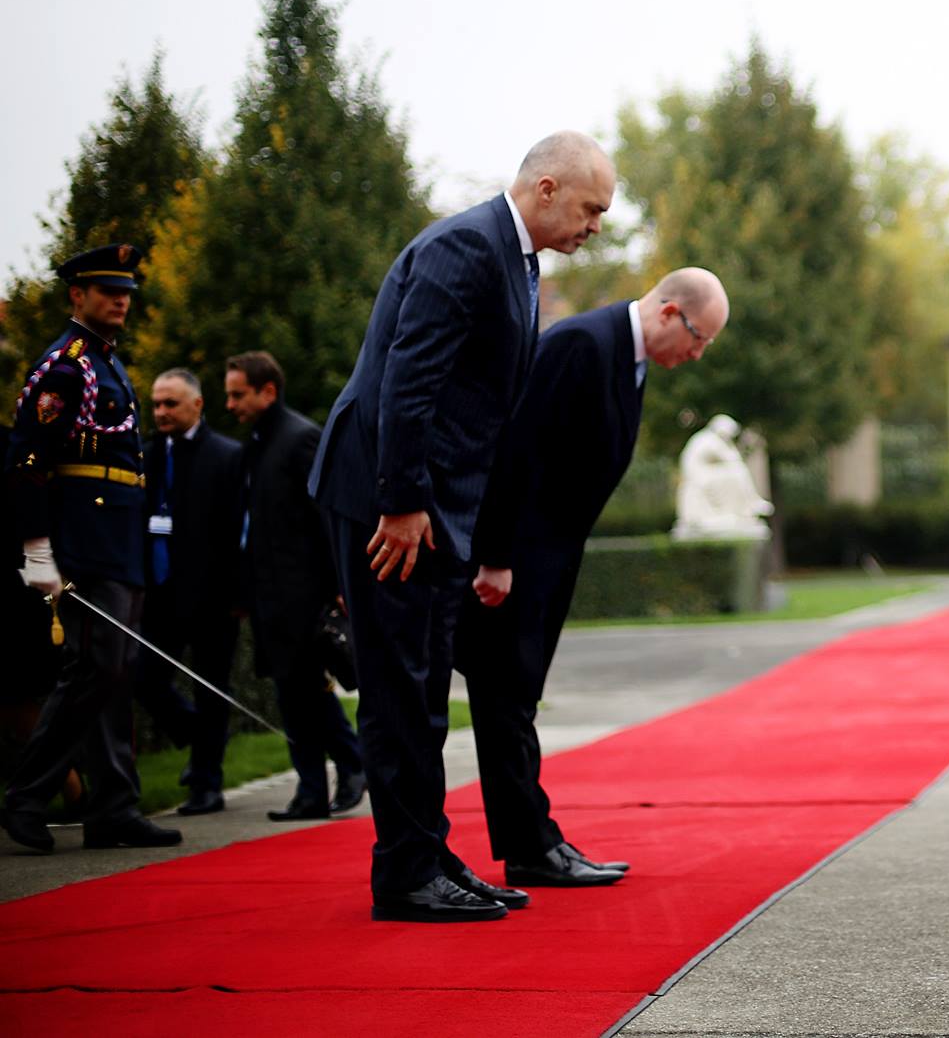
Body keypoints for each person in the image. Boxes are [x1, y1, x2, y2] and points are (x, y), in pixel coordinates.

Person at [309, 130, 616, 923]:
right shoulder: (468, 246)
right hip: (392, 504)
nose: (595, 226)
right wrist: (403, 500)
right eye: (591, 208)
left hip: (432, 508)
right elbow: (409, 377)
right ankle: (406, 872)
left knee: (423, 688)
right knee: (399, 688)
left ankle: (429, 854)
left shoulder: (515, 258)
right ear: (546, 188)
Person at [460, 268, 728, 888]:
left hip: (547, 557)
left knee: (516, 696)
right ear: (668, 312)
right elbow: (517, 448)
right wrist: (496, 556)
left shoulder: (625, 356)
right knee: (505, 697)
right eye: (698, 338)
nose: (697, 354)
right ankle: (531, 847)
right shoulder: (582, 343)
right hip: (515, 558)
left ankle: (534, 843)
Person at [1, 243, 182, 853]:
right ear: (77, 295)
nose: (121, 301)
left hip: (117, 538)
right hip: (83, 538)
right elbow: (27, 459)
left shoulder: (107, 363)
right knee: (94, 668)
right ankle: (26, 797)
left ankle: (112, 807)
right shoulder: (65, 365)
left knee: (115, 673)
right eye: (109, 291)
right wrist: (36, 548)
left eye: (126, 292)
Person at [225, 351, 364, 822]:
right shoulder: (259, 443)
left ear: (268, 391)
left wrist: (339, 585)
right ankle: (321, 784)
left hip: (302, 596)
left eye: (238, 394)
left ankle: (337, 774)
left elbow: (325, 516)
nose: (230, 405)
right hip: (271, 596)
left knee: (304, 691)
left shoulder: (299, 437)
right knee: (296, 694)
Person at [136, 368, 244, 816]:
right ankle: (199, 734)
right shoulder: (144, 455)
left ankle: (206, 783)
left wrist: (238, 594)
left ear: (197, 405)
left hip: (212, 597)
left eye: (171, 404)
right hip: (158, 593)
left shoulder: (228, 456)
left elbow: (240, 531)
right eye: (156, 404)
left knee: (211, 687)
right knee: (144, 677)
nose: (161, 412)